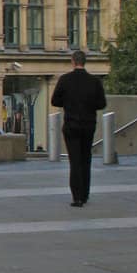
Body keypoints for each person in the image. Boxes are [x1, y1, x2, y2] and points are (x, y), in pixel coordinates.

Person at [50, 48, 107, 207]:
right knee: (85, 158)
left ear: (73, 61)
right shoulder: (95, 81)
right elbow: (101, 104)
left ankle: (77, 197)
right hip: (88, 124)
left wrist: (68, 103)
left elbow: (55, 101)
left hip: (71, 124)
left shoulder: (65, 80)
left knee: (74, 160)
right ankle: (85, 193)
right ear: (84, 62)